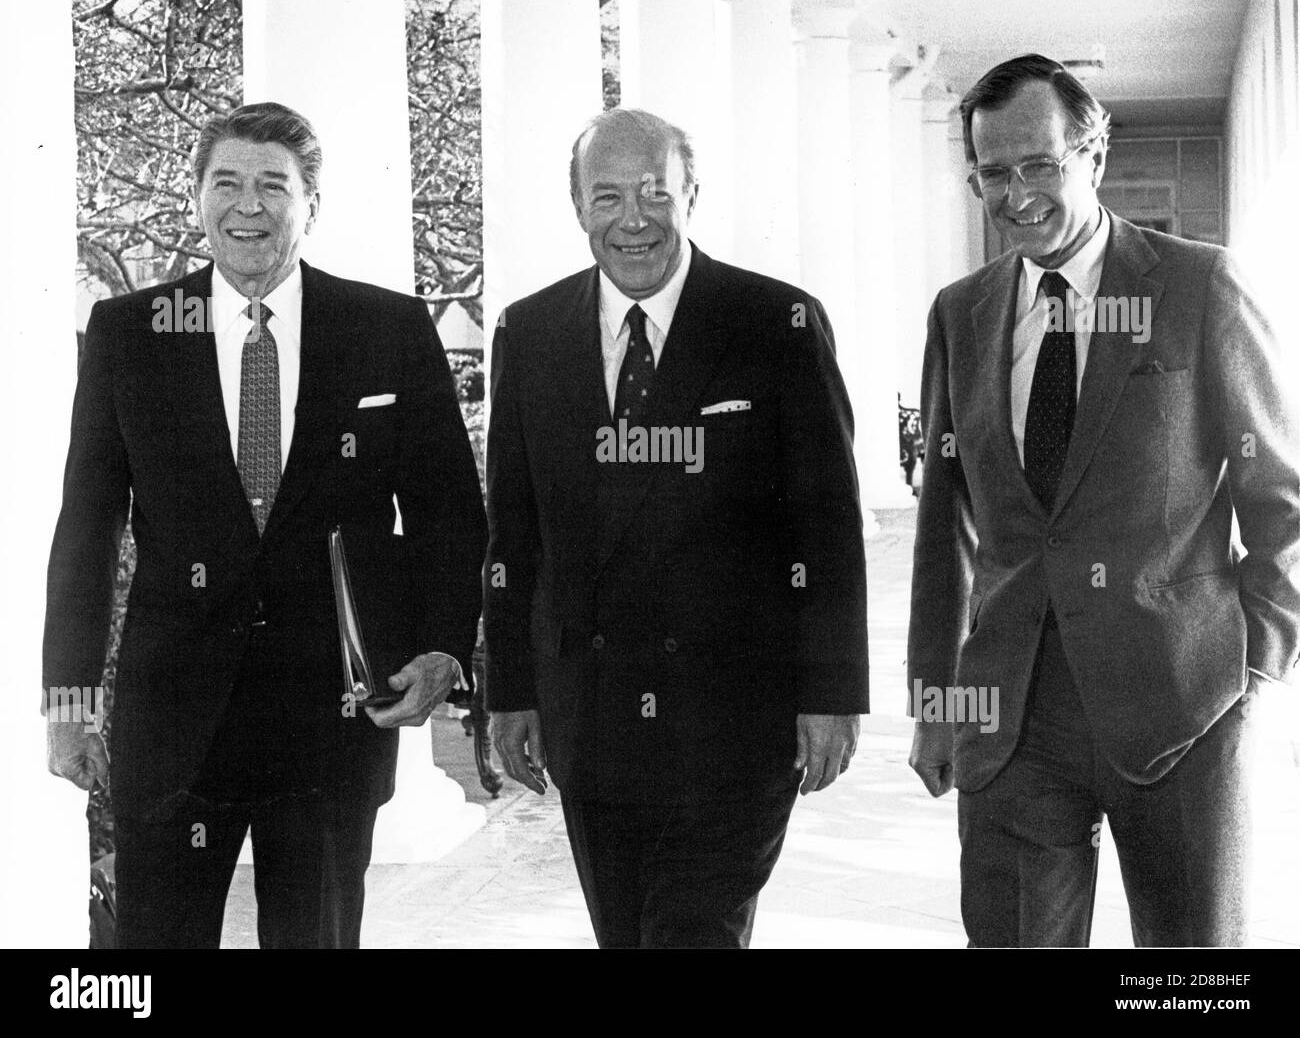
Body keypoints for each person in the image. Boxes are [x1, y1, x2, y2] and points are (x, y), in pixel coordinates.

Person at [43, 102, 487, 948]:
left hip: (331, 721)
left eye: (273, 186)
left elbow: (449, 511)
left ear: (310, 204)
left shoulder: (387, 328)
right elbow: (88, 523)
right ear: (198, 196)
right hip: (173, 717)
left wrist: (440, 647)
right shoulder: (129, 333)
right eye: (227, 183)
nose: (248, 206)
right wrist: (69, 699)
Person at [908, 54, 1300, 947]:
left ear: (1093, 153)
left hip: (1183, 705)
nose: (1016, 194)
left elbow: (1282, 502)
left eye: (1038, 164)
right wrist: (937, 697)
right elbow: (945, 526)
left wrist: (1254, 676)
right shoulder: (960, 313)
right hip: (1010, 720)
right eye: (992, 172)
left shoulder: (1199, 286)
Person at [484, 108, 869, 949]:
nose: (634, 218)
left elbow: (827, 525)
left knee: (694, 933)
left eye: (657, 192)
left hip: (736, 721)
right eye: (609, 196)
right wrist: (509, 690)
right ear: (577, 206)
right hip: (591, 719)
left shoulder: (777, 323)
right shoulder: (528, 331)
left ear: (692, 193)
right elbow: (512, 538)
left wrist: (833, 692)